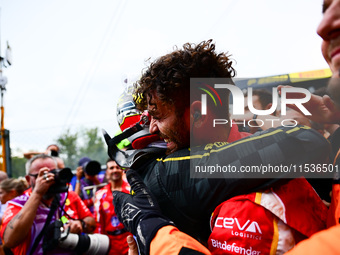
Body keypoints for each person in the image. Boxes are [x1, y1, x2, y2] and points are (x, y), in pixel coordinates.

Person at [105, 40, 330, 255]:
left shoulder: (244, 210)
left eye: (158, 116)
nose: (152, 128)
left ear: (198, 114)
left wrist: (154, 236)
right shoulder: (248, 146)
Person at [0, 154, 96, 255]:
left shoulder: (69, 196)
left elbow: (92, 223)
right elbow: (10, 241)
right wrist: (37, 194)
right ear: (28, 180)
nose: (48, 179)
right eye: (41, 176)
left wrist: (81, 224)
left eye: (52, 173)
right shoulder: (18, 204)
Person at [93, 159, 131, 255]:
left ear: (121, 170)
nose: (114, 170)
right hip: (110, 244)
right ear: (107, 172)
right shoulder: (100, 195)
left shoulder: (131, 190)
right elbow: (99, 223)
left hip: (130, 239)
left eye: (117, 167)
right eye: (111, 168)